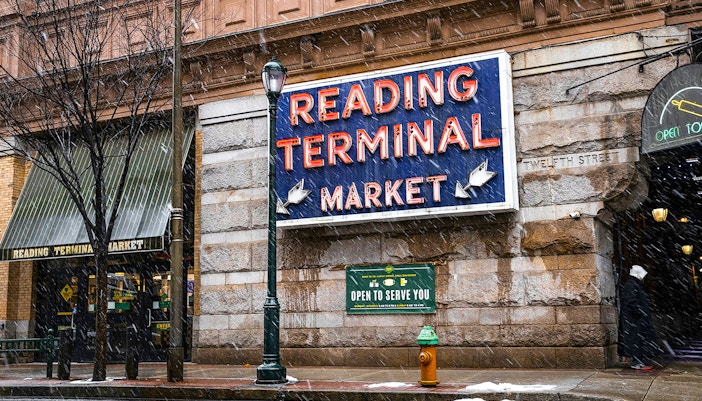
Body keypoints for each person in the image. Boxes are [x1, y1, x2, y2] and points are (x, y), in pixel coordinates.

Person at [619, 264, 662, 370]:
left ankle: (639, 361)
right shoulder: (631, 284)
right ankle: (637, 362)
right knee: (636, 341)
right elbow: (631, 302)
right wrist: (640, 312)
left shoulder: (634, 284)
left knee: (638, 341)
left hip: (635, 319)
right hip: (634, 319)